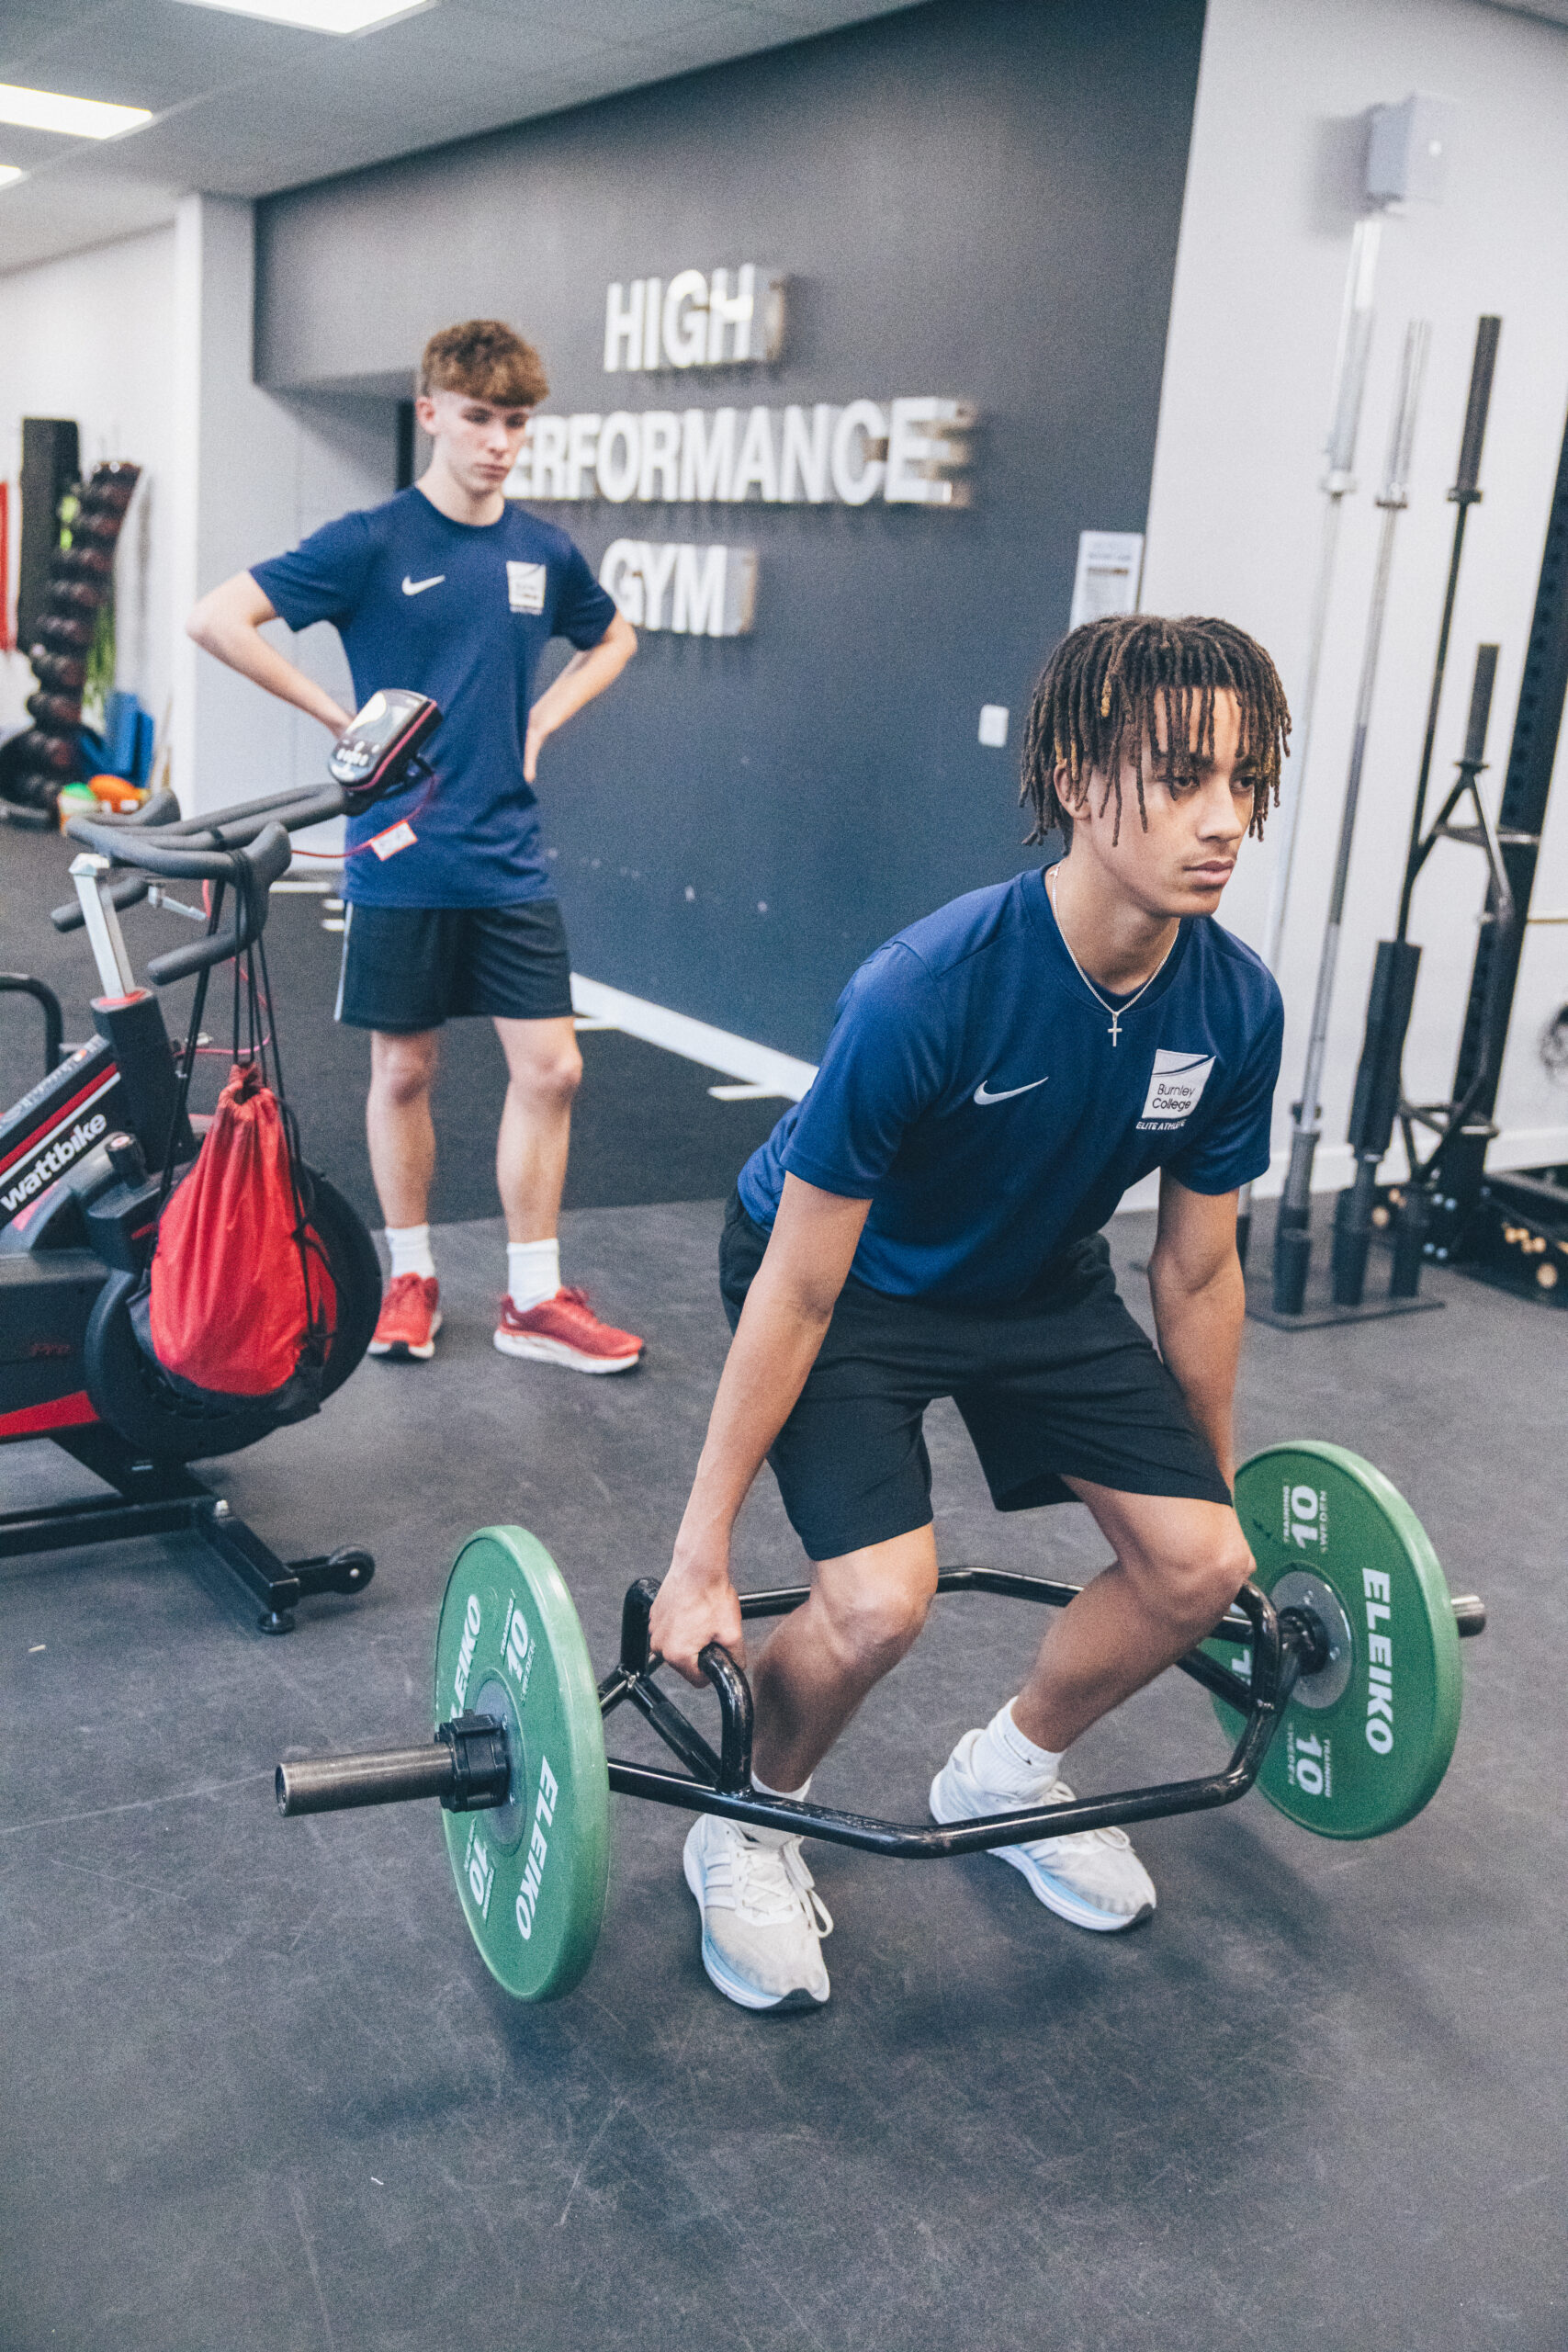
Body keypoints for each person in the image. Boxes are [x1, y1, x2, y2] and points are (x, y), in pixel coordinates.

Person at [649, 612, 1292, 2011]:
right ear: (1074, 779)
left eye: (1243, 782)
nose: (1223, 820)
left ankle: (1006, 1772)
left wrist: (1207, 1494)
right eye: (1182, 778)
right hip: (855, 1283)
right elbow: (800, 1279)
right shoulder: (925, 989)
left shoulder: (1234, 1007)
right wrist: (700, 1555)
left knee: (1198, 1570)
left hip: (1035, 1277)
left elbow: (1194, 1272)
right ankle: (746, 1821)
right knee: (879, 1604)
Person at [187, 318, 644, 1374]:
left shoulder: (542, 552)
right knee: (403, 1070)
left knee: (554, 1069)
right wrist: (339, 719)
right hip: (401, 849)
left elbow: (613, 636)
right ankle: (410, 1275)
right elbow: (217, 619)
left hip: (507, 850)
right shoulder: (371, 541)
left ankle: (534, 1295)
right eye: (480, 418)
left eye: (516, 422)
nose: (499, 442)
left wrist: (544, 719)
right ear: (431, 411)